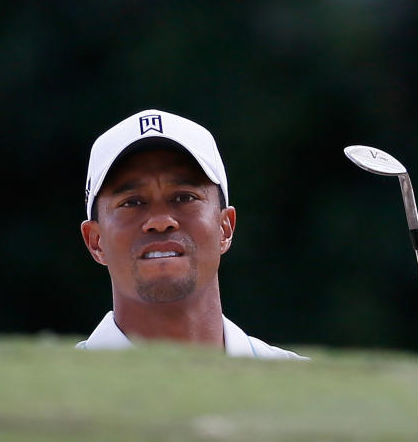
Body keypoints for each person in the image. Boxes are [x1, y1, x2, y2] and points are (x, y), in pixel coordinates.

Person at [77, 109, 306, 360]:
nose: (161, 220)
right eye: (132, 202)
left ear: (225, 227)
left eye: (184, 197)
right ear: (95, 241)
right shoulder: (45, 391)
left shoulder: (305, 383)